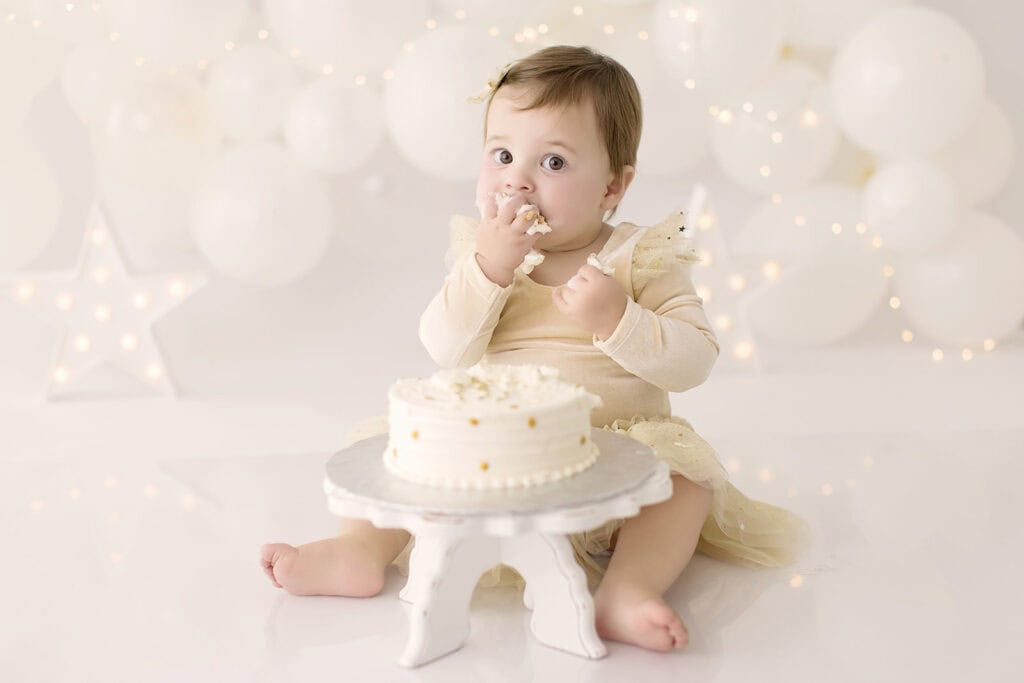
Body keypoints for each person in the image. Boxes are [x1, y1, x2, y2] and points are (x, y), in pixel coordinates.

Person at [261, 45, 809, 653]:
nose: (517, 179)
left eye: (552, 160)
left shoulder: (638, 257)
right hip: (496, 458)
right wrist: (490, 270)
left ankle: (627, 589)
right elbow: (445, 347)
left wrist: (618, 319)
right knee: (403, 449)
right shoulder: (483, 254)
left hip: (613, 466)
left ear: (613, 184)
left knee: (684, 483)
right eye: (501, 155)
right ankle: (360, 551)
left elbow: (694, 360)